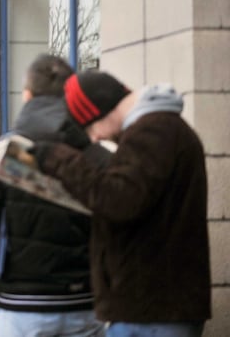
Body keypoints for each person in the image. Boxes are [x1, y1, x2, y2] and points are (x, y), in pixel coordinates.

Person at [31, 71, 211, 337]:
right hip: (155, 308)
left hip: (151, 309)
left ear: (101, 112)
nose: (93, 139)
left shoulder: (152, 131)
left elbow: (119, 200)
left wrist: (60, 160)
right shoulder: (161, 129)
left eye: (90, 129)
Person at [0, 54, 106, 337]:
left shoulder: (1, 154)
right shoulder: (96, 155)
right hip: (84, 303)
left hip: (21, 306)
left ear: (27, 95)